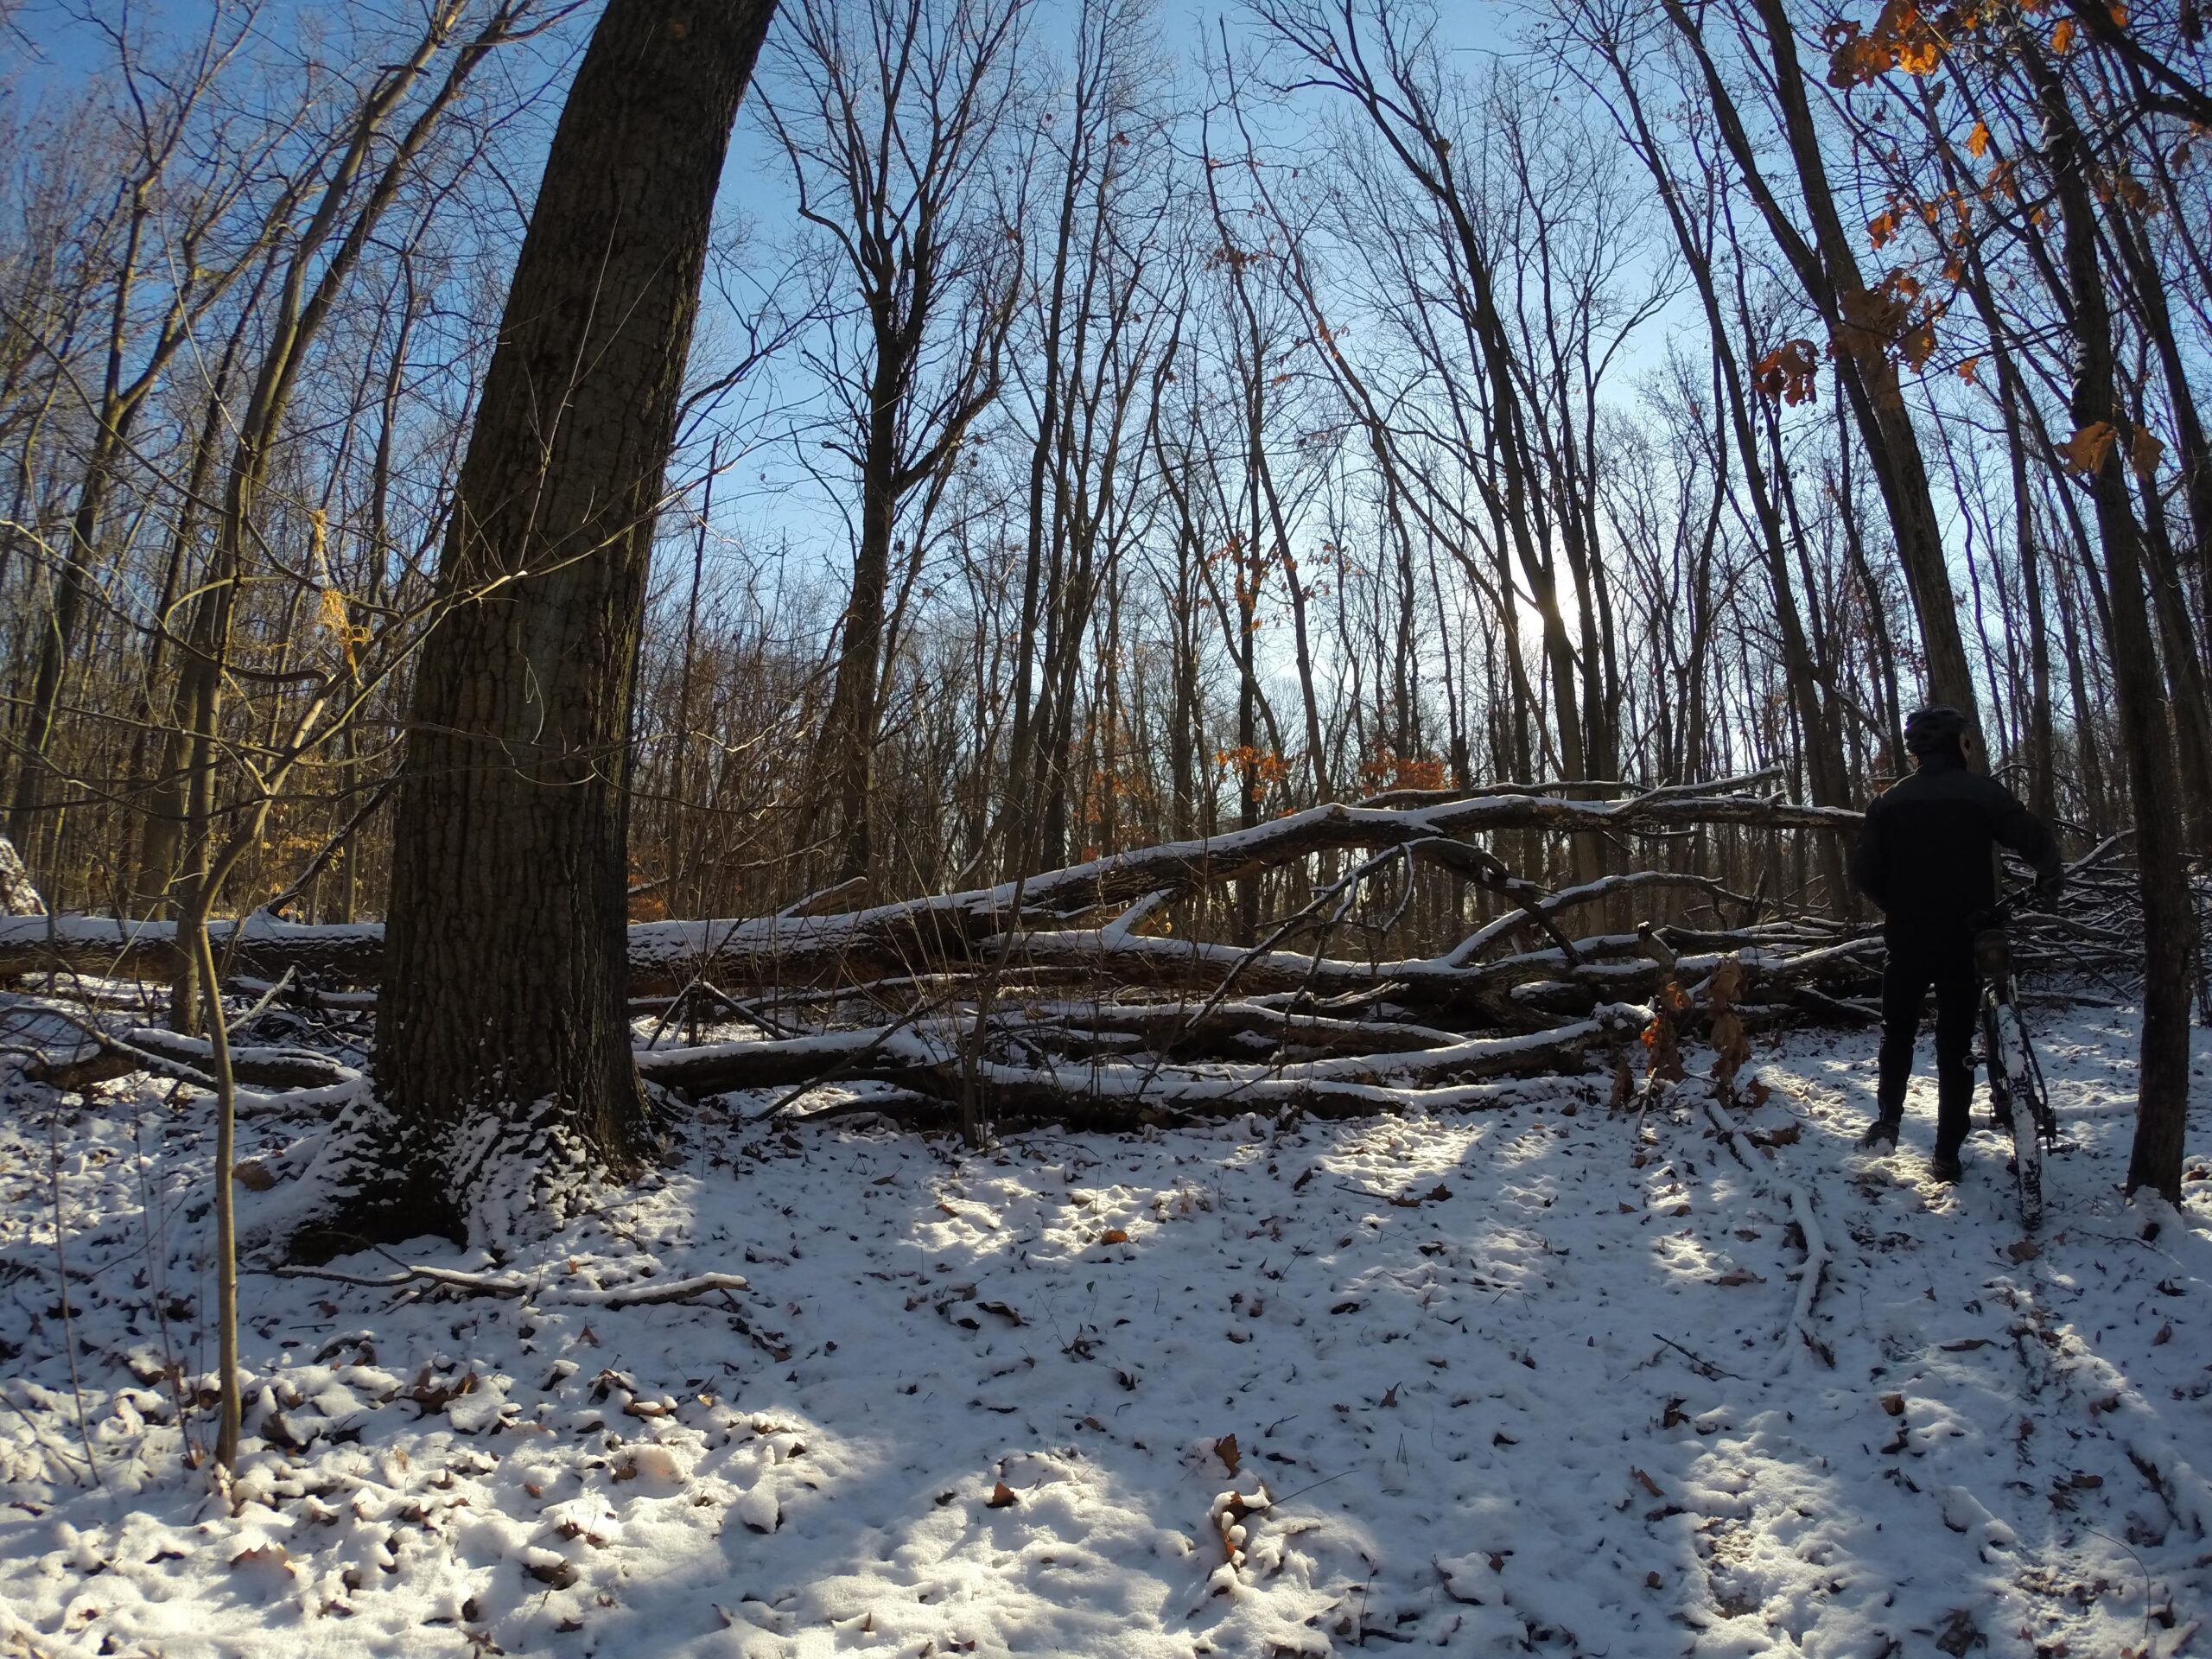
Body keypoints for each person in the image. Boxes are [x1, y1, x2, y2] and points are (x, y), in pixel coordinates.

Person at [1848, 705, 2063, 1181]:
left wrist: (1898, 904)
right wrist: (2049, 876)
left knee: (1897, 1028)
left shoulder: (1889, 802)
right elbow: (2033, 838)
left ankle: (1888, 1120)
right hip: (1968, 934)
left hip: (1907, 935)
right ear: (1955, 744)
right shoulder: (1980, 792)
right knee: (1955, 1040)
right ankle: (1946, 1151)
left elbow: (1863, 872)